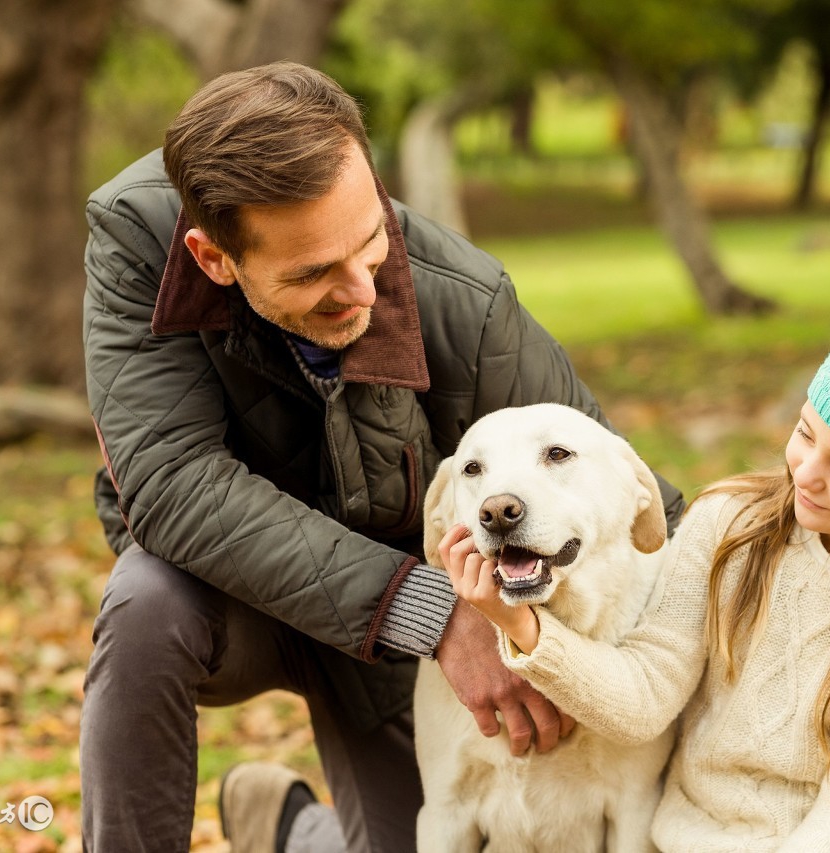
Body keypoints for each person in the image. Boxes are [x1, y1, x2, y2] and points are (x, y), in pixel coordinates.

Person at [78, 60, 688, 853]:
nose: (363, 290)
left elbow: (642, 500)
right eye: (311, 274)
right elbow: (170, 485)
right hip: (244, 600)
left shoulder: (467, 302)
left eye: (370, 242)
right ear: (213, 258)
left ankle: (293, 829)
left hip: (394, 642)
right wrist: (439, 616)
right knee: (144, 600)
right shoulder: (136, 237)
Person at [445, 309, 830, 851]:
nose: (807, 476)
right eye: (807, 434)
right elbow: (645, 696)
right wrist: (520, 625)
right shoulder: (727, 526)